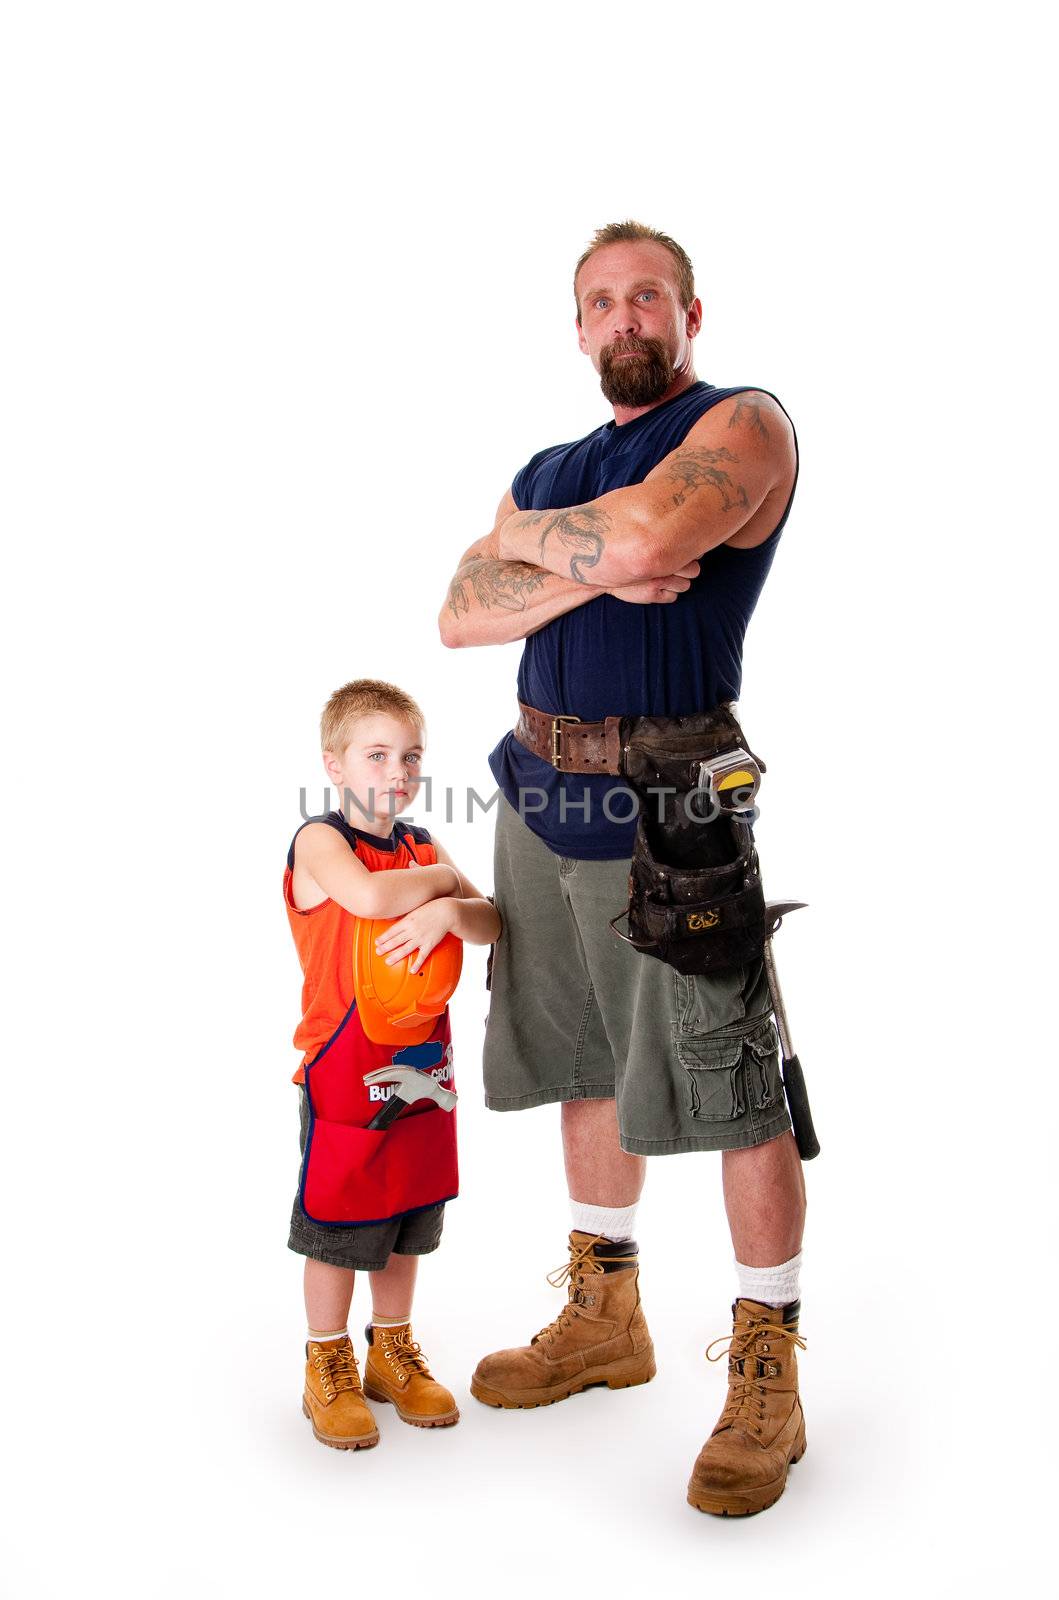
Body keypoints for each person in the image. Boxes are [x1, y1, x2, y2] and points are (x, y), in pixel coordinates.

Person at [438, 221, 807, 1517]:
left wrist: (529, 547)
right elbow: (455, 609)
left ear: (686, 311)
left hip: (669, 803)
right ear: (577, 327)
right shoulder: (548, 466)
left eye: (642, 293)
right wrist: (566, 554)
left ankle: (766, 1360)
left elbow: (651, 541)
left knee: (725, 1078)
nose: (621, 316)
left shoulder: (741, 427)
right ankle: (605, 1311)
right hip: (535, 790)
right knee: (580, 1059)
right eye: (597, 301)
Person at [284, 678, 501, 1450]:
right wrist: (442, 883)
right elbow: (371, 901)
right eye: (376, 755)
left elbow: (490, 920)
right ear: (334, 765)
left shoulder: (419, 843)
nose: (396, 773)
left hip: (422, 1064)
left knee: (407, 1215)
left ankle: (391, 1352)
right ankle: (327, 1362)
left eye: (410, 756)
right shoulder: (320, 841)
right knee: (339, 1221)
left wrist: (449, 906)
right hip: (344, 1063)